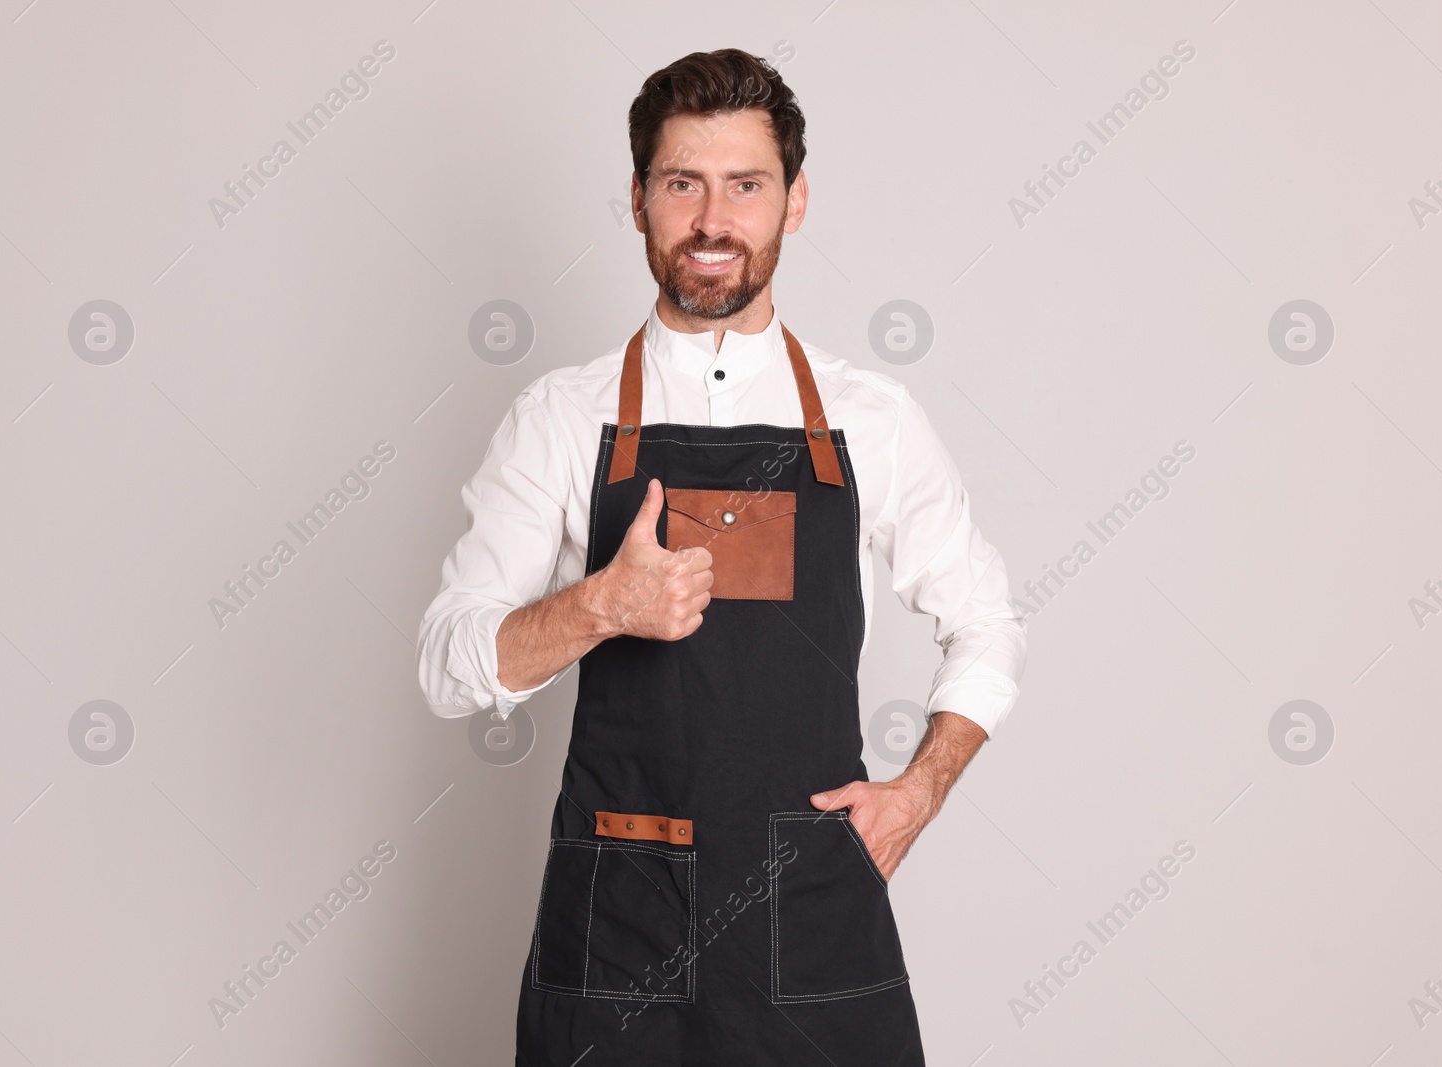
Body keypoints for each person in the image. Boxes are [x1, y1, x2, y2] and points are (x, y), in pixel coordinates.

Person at [417, 46, 1027, 1065]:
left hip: (810, 908)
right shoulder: (563, 419)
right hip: (618, 920)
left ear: (792, 202)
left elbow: (989, 624)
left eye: (744, 185)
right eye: (681, 184)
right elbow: (447, 664)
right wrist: (602, 606)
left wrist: (917, 789)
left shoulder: (871, 420)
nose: (711, 219)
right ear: (638, 199)